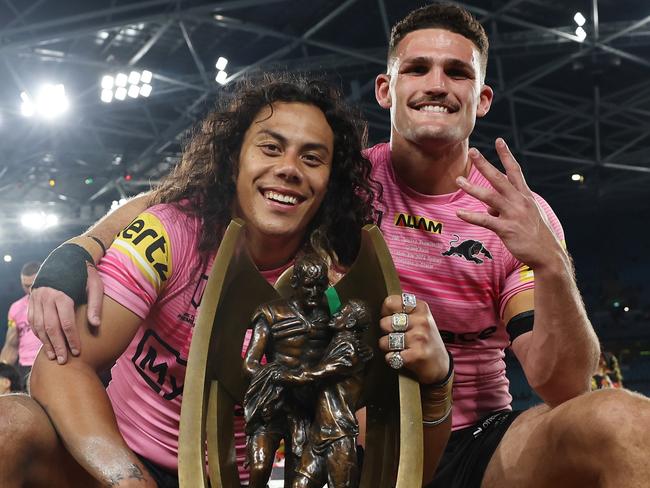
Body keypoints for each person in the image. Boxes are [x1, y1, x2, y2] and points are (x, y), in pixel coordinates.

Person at [31, 3, 650, 487]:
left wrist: (552, 263)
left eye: (457, 71)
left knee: (624, 421)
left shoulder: (518, 215)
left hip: (478, 440)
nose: (437, 83)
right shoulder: (339, 183)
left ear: (481, 98)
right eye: (418, 68)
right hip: (357, 443)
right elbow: (194, 197)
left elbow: (563, 382)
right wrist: (82, 246)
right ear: (386, 89)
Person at [0, 75, 451, 488]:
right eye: (271, 148)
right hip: (115, 460)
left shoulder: (330, 291)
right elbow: (60, 367)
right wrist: (129, 481)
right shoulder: (171, 231)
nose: (290, 168)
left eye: (311, 158)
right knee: (10, 426)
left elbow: (396, 469)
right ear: (234, 160)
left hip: (228, 478)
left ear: (330, 183)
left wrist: (436, 387)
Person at [242, 254, 333, 487]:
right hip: (272, 404)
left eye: (320, 286)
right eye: (308, 286)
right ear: (295, 284)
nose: (314, 292)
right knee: (260, 468)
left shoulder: (331, 315)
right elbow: (250, 363)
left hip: (306, 408)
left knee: (297, 479)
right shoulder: (271, 313)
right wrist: (279, 375)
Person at [0, 261, 42, 385]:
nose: (29, 290)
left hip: (50, 363)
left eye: (32, 285)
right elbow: (11, 345)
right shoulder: (15, 308)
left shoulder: (55, 301)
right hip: (25, 368)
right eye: (25, 285)